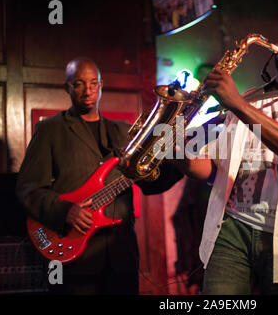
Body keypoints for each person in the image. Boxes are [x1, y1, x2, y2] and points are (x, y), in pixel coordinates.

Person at [173, 7, 278, 294]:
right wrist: (174, 146)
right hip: (230, 230)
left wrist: (237, 104)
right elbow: (213, 168)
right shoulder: (251, 98)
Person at [16, 57, 182, 294]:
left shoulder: (123, 131)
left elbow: (151, 182)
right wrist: (64, 211)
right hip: (75, 260)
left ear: (101, 85)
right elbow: (28, 188)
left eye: (93, 84)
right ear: (67, 87)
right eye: (79, 84)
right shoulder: (50, 130)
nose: (87, 91)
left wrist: (180, 159)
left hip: (122, 258)